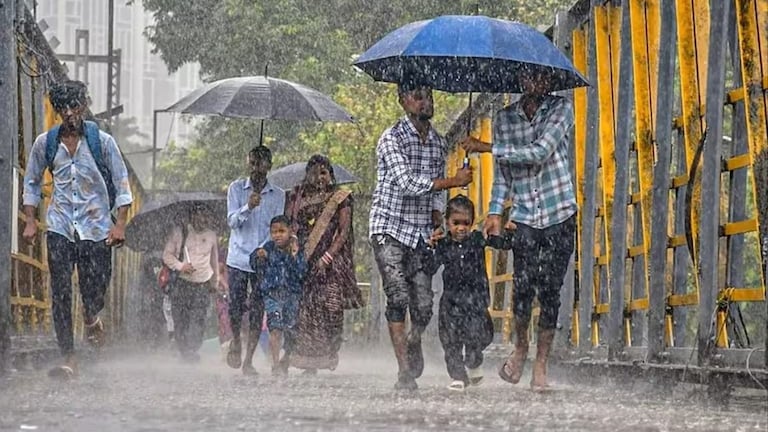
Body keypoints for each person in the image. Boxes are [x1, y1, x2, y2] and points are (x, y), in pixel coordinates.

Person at [462, 70, 577, 391]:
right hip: (524, 215)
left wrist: (485, 146)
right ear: (521, 79)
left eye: (542, 77)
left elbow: (540, 151)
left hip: (559, 212)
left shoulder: (561, 110)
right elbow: (504, 174)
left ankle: (541, 365)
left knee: (550, 292)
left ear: (551, 80)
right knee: (523, 290)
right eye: (529, 76)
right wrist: (495, 211)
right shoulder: (505, 118)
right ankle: (521, 347)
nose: (536, 82)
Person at [22, 80, 133, 379]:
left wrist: (120, 224)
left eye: (74, 106)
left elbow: (123, 183)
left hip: (97, 228)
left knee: (93, 289)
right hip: (60, 226)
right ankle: (68, 357)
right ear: (57, 111)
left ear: (83, 106)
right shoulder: (45, 143)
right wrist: (31, 219)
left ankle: (91, 314)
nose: (69, 113)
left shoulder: (103, 143)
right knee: (59, 291)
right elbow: (31, 180)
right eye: (63, 108)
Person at [370, 80, 473, 391]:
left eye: (429, 96)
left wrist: (439, 217)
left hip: (419, 232)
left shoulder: (439, 143)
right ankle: (404, 371)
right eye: (418, 97)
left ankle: (413, 339)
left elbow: (434, 198)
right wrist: (454, 180)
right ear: (403, 101)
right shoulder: (391, 138)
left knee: (425, 304)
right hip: (388, 227)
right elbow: (408, 183)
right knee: (398, 296)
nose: (425, 102)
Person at [426, 195, 512, 392]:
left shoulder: (477, 239)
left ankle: (474, 362)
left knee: (481, 336)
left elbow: (501, 244)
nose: (461, 228)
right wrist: (428, 247)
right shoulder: (444, 244)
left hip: (476, 302)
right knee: (451, 342)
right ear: (447, 222)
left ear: (472, 223)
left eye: (466, 223)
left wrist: (507, 232)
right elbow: (430, 267)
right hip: (451, 303)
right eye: (456, 223)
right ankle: (458, 376)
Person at [285, 155, 363, 373]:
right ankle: (310, 363)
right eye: (314, 173)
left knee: (331, 308)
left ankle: (331, 352)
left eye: (324, 172)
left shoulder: (341, 197)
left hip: (332, 262)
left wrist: (327, 257)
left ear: (331, 175)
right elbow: (291, 225)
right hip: (305, 260)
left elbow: (344, 231)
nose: (319, 178)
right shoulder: (298, 196)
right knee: (308, 311)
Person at [225, 145, 285, 375]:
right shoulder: (236, 189)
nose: (256, 168)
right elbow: (232, 222)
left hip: (263, 260)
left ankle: (249, 359)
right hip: (239, 258)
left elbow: (278, 226)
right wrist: (248, 207)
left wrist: (267, 248)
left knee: (258, 309)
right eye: (252, 163)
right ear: (247, 163)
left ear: (269, 165)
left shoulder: (279, 194)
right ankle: (236, 342)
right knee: (235, 306)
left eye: (261, 163)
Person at [250, 215, 307, 375]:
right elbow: (253, 263)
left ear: (291, 231)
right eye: (274, 232)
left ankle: (286, 358)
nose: (278, 235)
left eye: (282, 231)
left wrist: (295, 255)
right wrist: (257, 256)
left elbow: (302, 271)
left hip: (292, 296)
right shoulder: (268, 248)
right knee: (275, 327)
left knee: (291, 329)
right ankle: (275, 364)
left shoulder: (297, 250)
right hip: (272, 295)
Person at [162, 205, 219, 362]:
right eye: (199, 215)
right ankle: (184, 350)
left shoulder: (212, 235)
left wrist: (215, 282)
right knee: (181, 318)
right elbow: (167, 255)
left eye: (206, 216)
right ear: (192, 216)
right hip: (182, 282)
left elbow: (214, 261)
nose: (203, 219)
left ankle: (193, 348)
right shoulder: (180, 232)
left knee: (200, 317)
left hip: (203, 283)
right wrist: (181, 266)